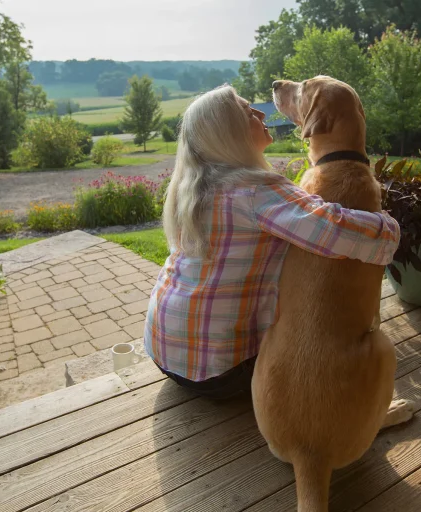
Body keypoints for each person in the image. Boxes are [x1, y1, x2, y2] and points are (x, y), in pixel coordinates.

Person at [145, 85, 400, 400]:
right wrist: (389, 226)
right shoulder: (255, 191)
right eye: (249, 111)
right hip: (221, 372)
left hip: (164, 352)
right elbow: (337, 232)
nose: (262, 113)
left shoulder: (192, 187)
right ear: (230, 132)